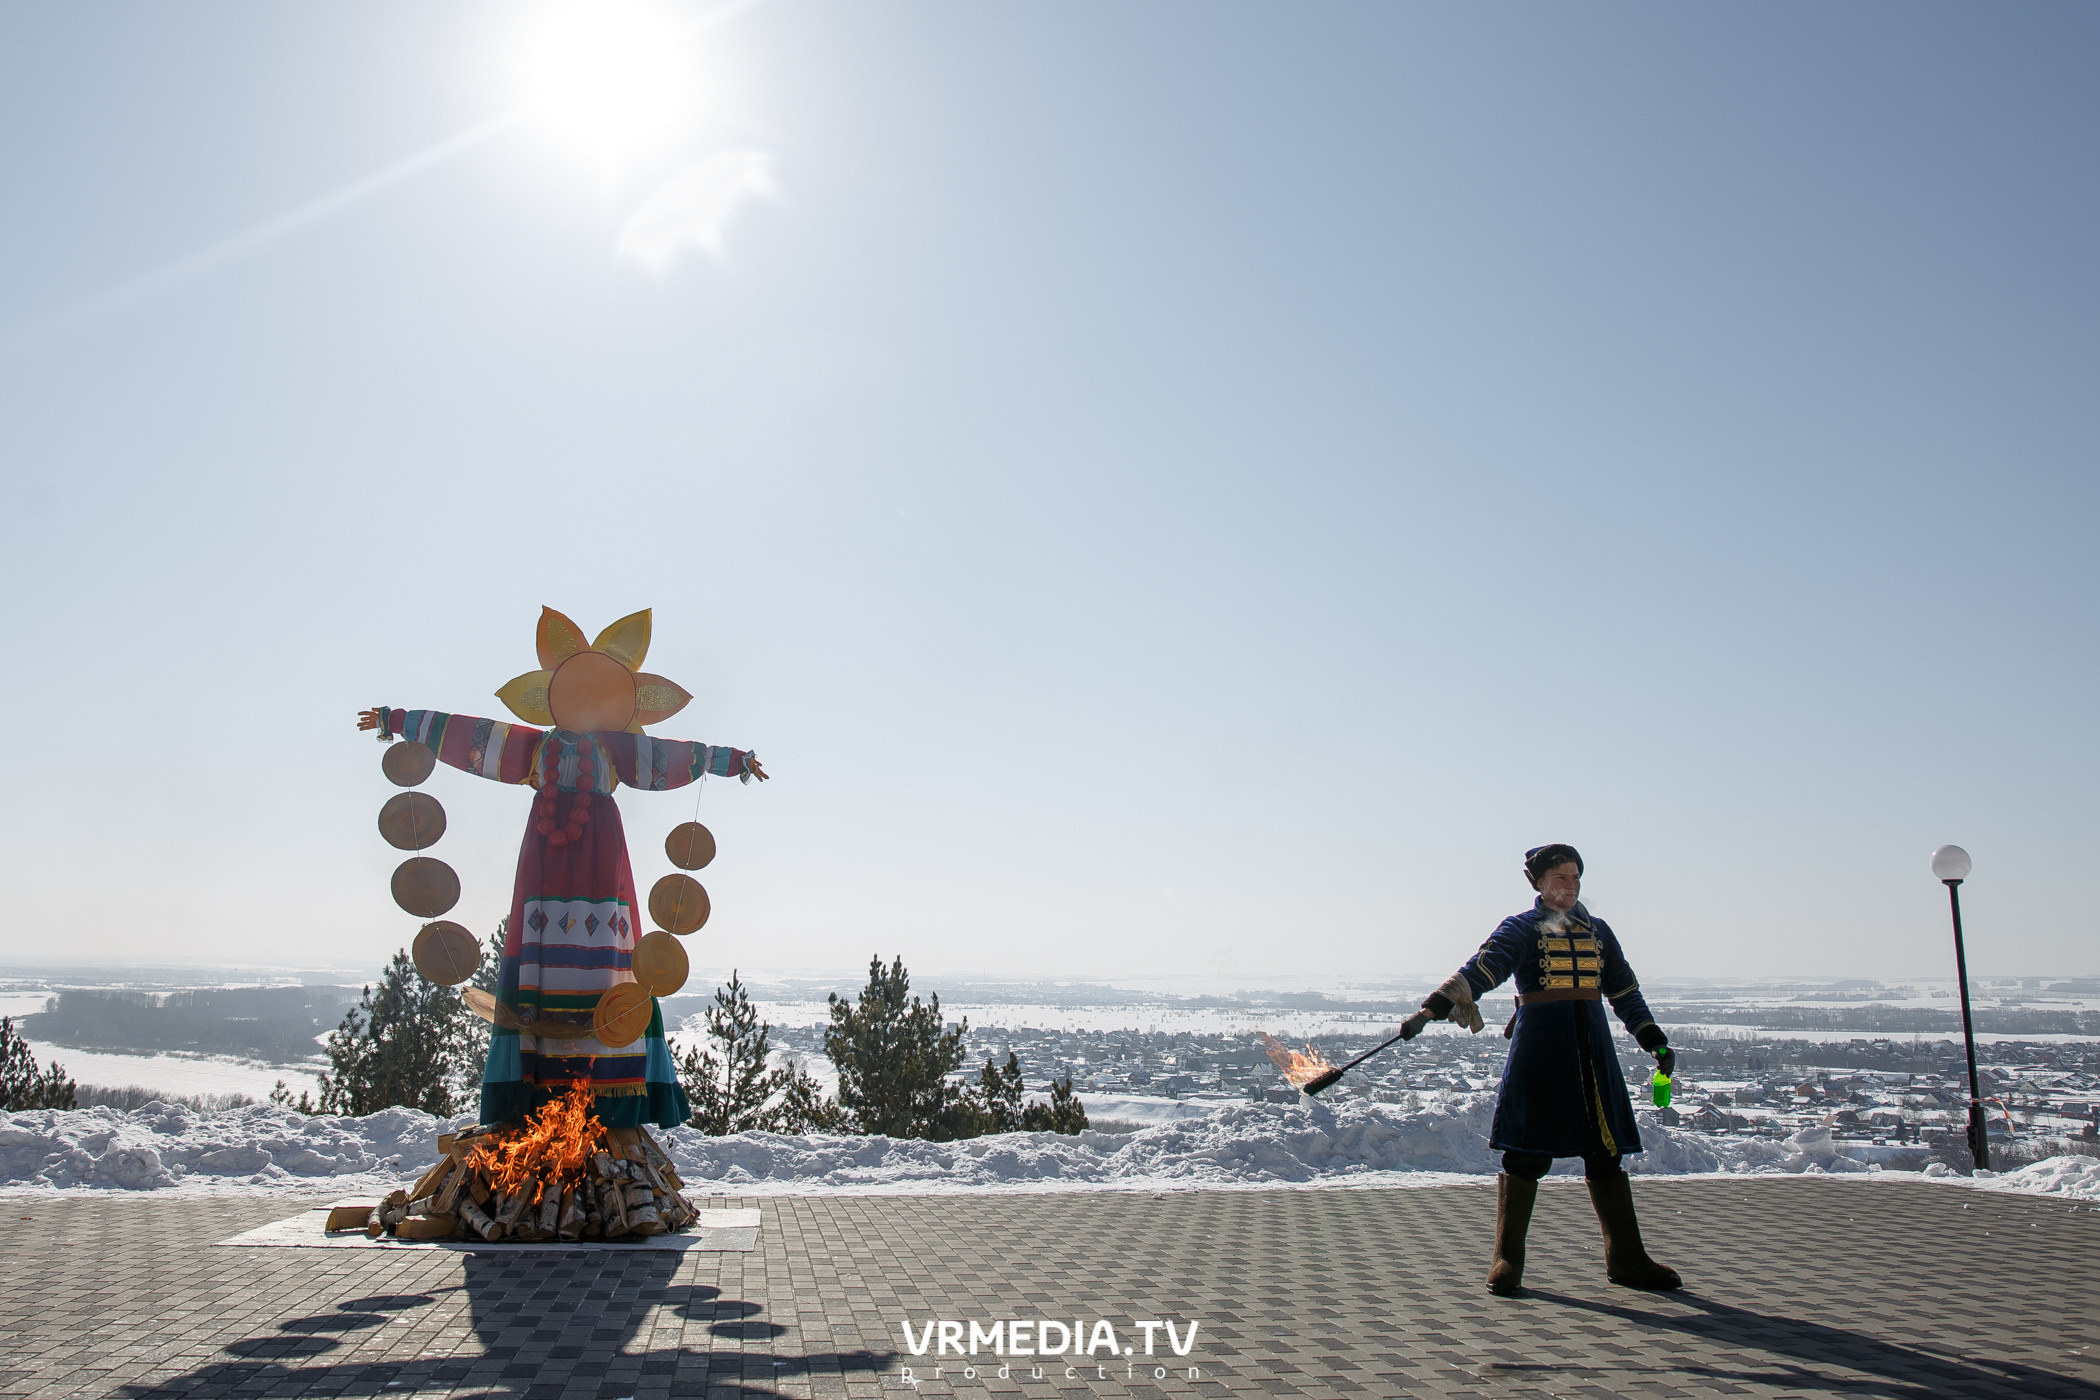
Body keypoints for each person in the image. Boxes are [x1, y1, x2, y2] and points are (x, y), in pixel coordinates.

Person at [1399, 844, 1680, 1295]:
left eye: (1575, 877)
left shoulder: (1599, 931)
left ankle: (1627, 1258)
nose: (1570, 886)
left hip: (1592, 1052)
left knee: (1605, 1153)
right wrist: (1433, 1008)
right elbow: (1483, 969)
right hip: (1541, 1049)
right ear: (1540, 883)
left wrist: (1654, 1040)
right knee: (1526, 1154)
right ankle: (1507, 1259)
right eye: (1561, 878)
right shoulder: (1522, 928)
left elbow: (1625, 992)